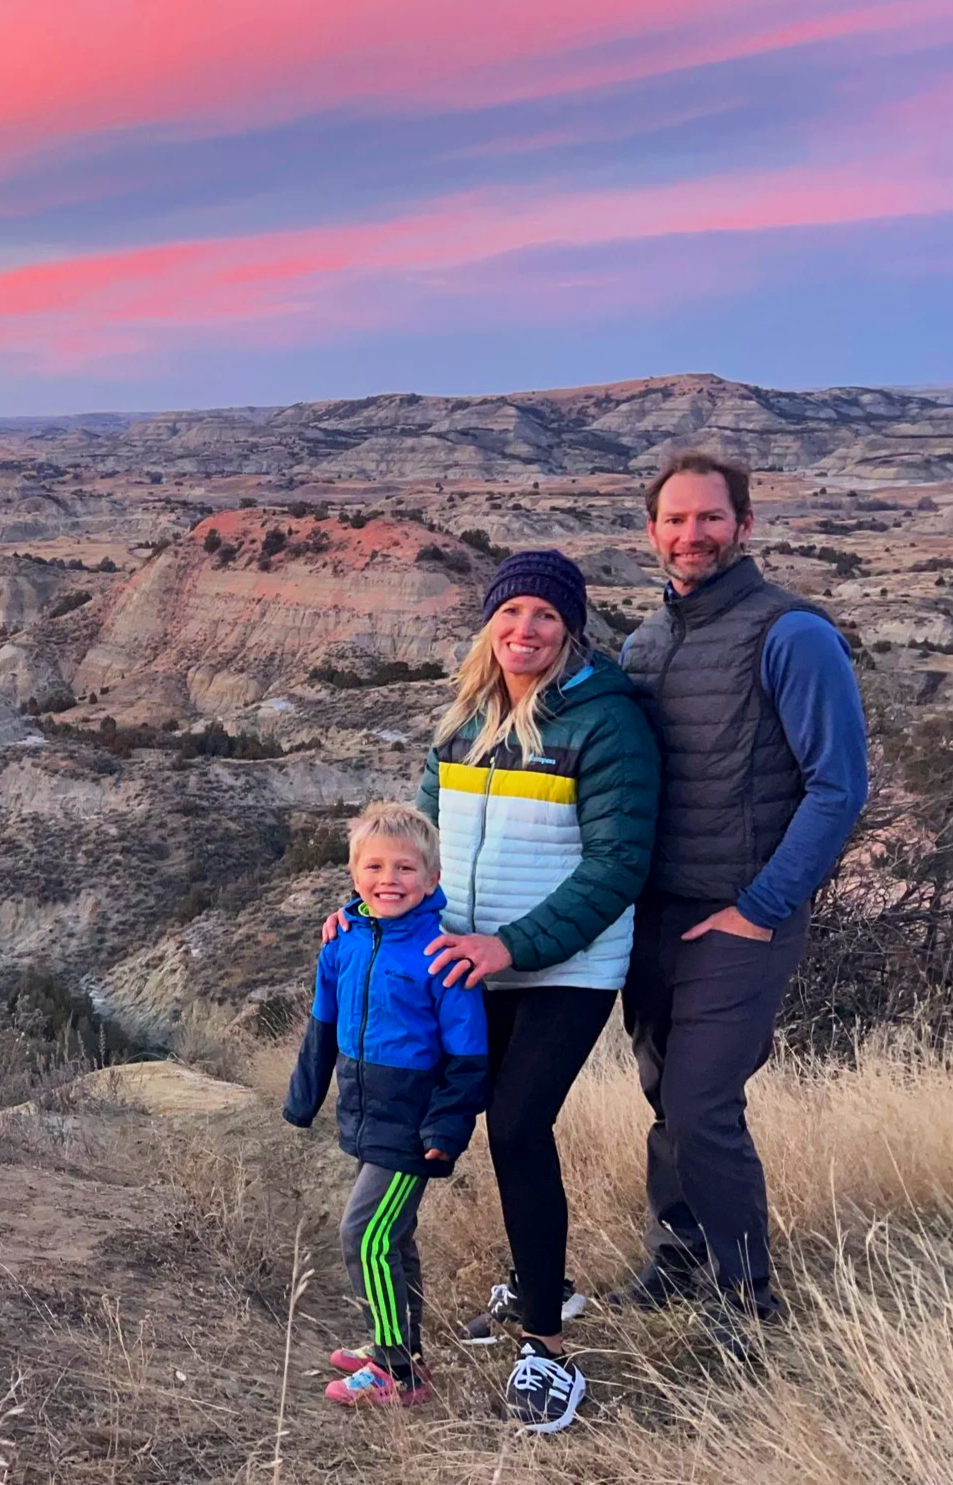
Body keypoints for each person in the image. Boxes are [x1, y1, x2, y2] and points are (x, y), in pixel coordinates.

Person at [326, 548, 658, 1432]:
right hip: (465, 965)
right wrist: (367, 914)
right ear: (489, 624)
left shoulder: (606, 723)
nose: (525, 631)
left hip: (563, 969)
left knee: (515, 1126)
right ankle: (489, 1302)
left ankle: (546, 1348)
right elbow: (420, 855)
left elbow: (617, 866)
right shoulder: (463, 719)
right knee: (454, 1123)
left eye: (544, 617)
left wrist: (507, 946)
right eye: (510, 615)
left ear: (570, 626)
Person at [615, 451, 868, 1343]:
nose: (692, 535)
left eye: (709, 518)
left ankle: (745, 1301)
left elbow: (838, 786)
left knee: (700, 1105)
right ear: (652, 534)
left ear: (744, 525)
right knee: (661, 1094)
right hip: (654, 914)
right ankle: (678, 1258)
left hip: (742, 914)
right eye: (674, 521)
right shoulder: (642, 644)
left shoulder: (789, 634)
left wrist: (762, 906)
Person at [286, 802, 489, 1410]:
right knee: (393, 1238)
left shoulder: (440, 954)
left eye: (405, 868)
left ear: (431, 880)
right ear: (354, 876)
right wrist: (303, 1100)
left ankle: (395, 1372)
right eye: (374, 866)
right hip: (365, 1112)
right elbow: (321, 1026)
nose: (389, 879)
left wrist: (447, 1126)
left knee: (364, 1236)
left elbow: (469, 1055)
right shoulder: (343, 942)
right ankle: (403, 1351)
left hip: (413, 1123)